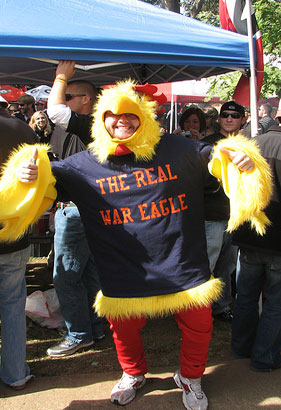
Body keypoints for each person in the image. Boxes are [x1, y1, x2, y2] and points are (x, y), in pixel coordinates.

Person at [1, 80, 271, 410]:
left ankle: (190, 377)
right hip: (123, 267)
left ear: (143, 116)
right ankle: (133, 373)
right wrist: (25, 169)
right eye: (112, 115)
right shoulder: (84, 164)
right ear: (101, 119)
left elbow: (220, 160)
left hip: (182, 262)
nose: (121, 120)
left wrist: (243, 160)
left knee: (200, 325)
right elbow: (42, 179)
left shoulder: (179, 149)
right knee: (124, 329)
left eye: (130, 114)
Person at [45, 60, 104, 357]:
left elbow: (55, 109)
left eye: (69, 95)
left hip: (79, 211)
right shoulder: (67, 129)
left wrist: (61, 76)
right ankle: (92, 328)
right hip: (79, 208)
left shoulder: (94, 123)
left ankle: (79, 333)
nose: (61, 97)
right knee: (88, 272)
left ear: (86, 100)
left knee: (66, 275)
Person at [231, 107, 281, 372]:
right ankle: (263, 358)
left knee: (246, 297)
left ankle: (241, 349)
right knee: (274, 302)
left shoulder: (253, 144)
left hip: (250, 235)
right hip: (274, 239)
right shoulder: (252, 144)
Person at [0, 104, 37, 390]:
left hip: (13, 233)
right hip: (15, 233)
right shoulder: (24, 129)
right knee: (13, 306)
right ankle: (15, 374)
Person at [203, 101, 247, 322]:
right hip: (211, 213)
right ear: (218, 119)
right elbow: (197, 178)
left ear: (242, 119)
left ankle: (221, 307)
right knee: (207, 264)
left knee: (227, 265)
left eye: (235, 115)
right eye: (226, 115)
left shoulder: (248, 146)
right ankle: (197, 311)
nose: (230, 119)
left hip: (236, 214)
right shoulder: (206, 145)